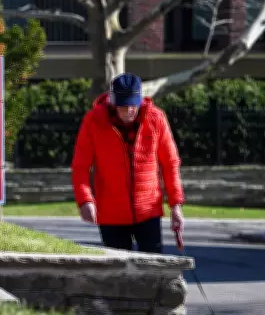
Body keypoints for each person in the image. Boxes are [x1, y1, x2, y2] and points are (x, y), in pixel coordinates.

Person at [70, 72, 185, 253]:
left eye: (134, 104)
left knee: (152, 270)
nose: (130, 110)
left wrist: (176, 206)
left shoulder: (156, 119)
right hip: (111, 214)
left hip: (148, 211)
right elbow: (80, 167)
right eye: (124, 105)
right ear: (113, 102)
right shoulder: (93, 122)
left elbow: (170, 163)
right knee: (118, 272)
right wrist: (85, 201)